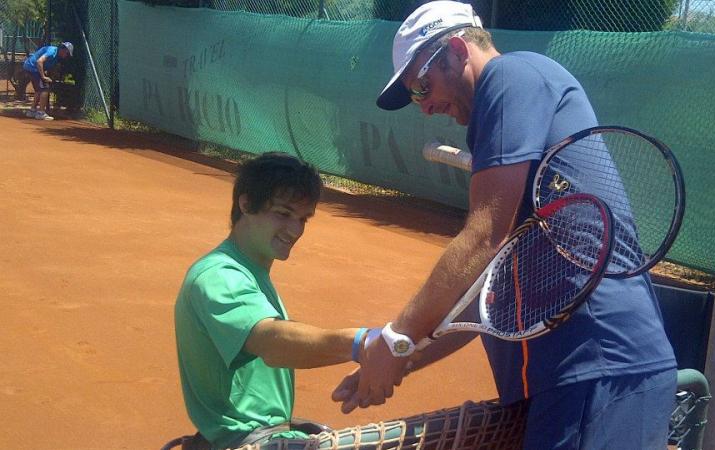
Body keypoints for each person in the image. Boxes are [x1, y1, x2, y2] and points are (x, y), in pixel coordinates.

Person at [332, 2, 678, 449]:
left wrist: (397, 338)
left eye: (422, 86)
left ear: (457, 50)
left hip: (598, 367)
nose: (425, 107)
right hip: (575, 377)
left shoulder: (511, 78)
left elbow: (482, 235)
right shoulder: (512, 137)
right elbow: (483, 306)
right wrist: (404, 358)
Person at [174, 152, 376, 450]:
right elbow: (272, 343)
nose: (295, 230)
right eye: (283, 213)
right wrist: (360, 343)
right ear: (245, 204)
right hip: (246, 441)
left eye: (302, 219)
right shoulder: (220, 277)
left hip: (267, 435)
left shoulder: (250, 272)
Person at [22, 41, 73, 121]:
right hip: (32, 68)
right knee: (45, 89)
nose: (66, 56)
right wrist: (43, 77)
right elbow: (39, 61)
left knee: (39, 90)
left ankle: (32, 111)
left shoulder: (56, 56)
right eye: (67, 53)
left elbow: (46, 66)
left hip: (30, 67)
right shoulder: (52, 51)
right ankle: (41, 113)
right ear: (63, 50)